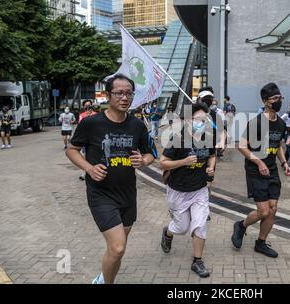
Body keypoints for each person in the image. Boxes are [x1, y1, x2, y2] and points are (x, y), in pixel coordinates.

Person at [65, 74, 156, 284]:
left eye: (129, 93)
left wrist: (143, 160)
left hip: (127, 195)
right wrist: (88, 168)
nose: (124, 97)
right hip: (101, 193)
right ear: (107, 95)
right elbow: (72, 150)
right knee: (118, 247)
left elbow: (151, 154)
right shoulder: (91, 123)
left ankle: (102, 277)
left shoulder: (137, 126)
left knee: (117, 249)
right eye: (118, 93)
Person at [231, 82, 290, 258]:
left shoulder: (280, 124)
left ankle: (261, 243)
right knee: (263, 211)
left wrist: (284, 163)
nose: (278, 101)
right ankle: (241, 226)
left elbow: (278, 145)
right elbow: (241, 146)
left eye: (280, 98)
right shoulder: (256, 123)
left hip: (272, 170)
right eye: (274, 98)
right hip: (255, 170)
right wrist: (258, 162)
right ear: (265, 101)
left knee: (273, 209)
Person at [160, 102, 216, 278]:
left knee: (199, 225)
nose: (203, 122)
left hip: (199, 189)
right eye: (199, 119)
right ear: (188, 121)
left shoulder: (208, 136)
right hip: (178, 190)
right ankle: (168, 233)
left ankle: (197, 261)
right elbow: (163, 162)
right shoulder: (178, 138)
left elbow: (212, 156)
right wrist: (183, 162)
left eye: (204, 119)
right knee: (182, 227)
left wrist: (210, 168)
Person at [78, 100, 98, 180]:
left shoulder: (96, 115)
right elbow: (80, 126)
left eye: (89, 105)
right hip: (85, 139)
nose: (87, 107)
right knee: (85, 156)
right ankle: (85, 172)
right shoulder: (82, 115)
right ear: (83, 107)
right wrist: (87, 116)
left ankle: (96, 171)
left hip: (95, 139)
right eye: (86, 105)